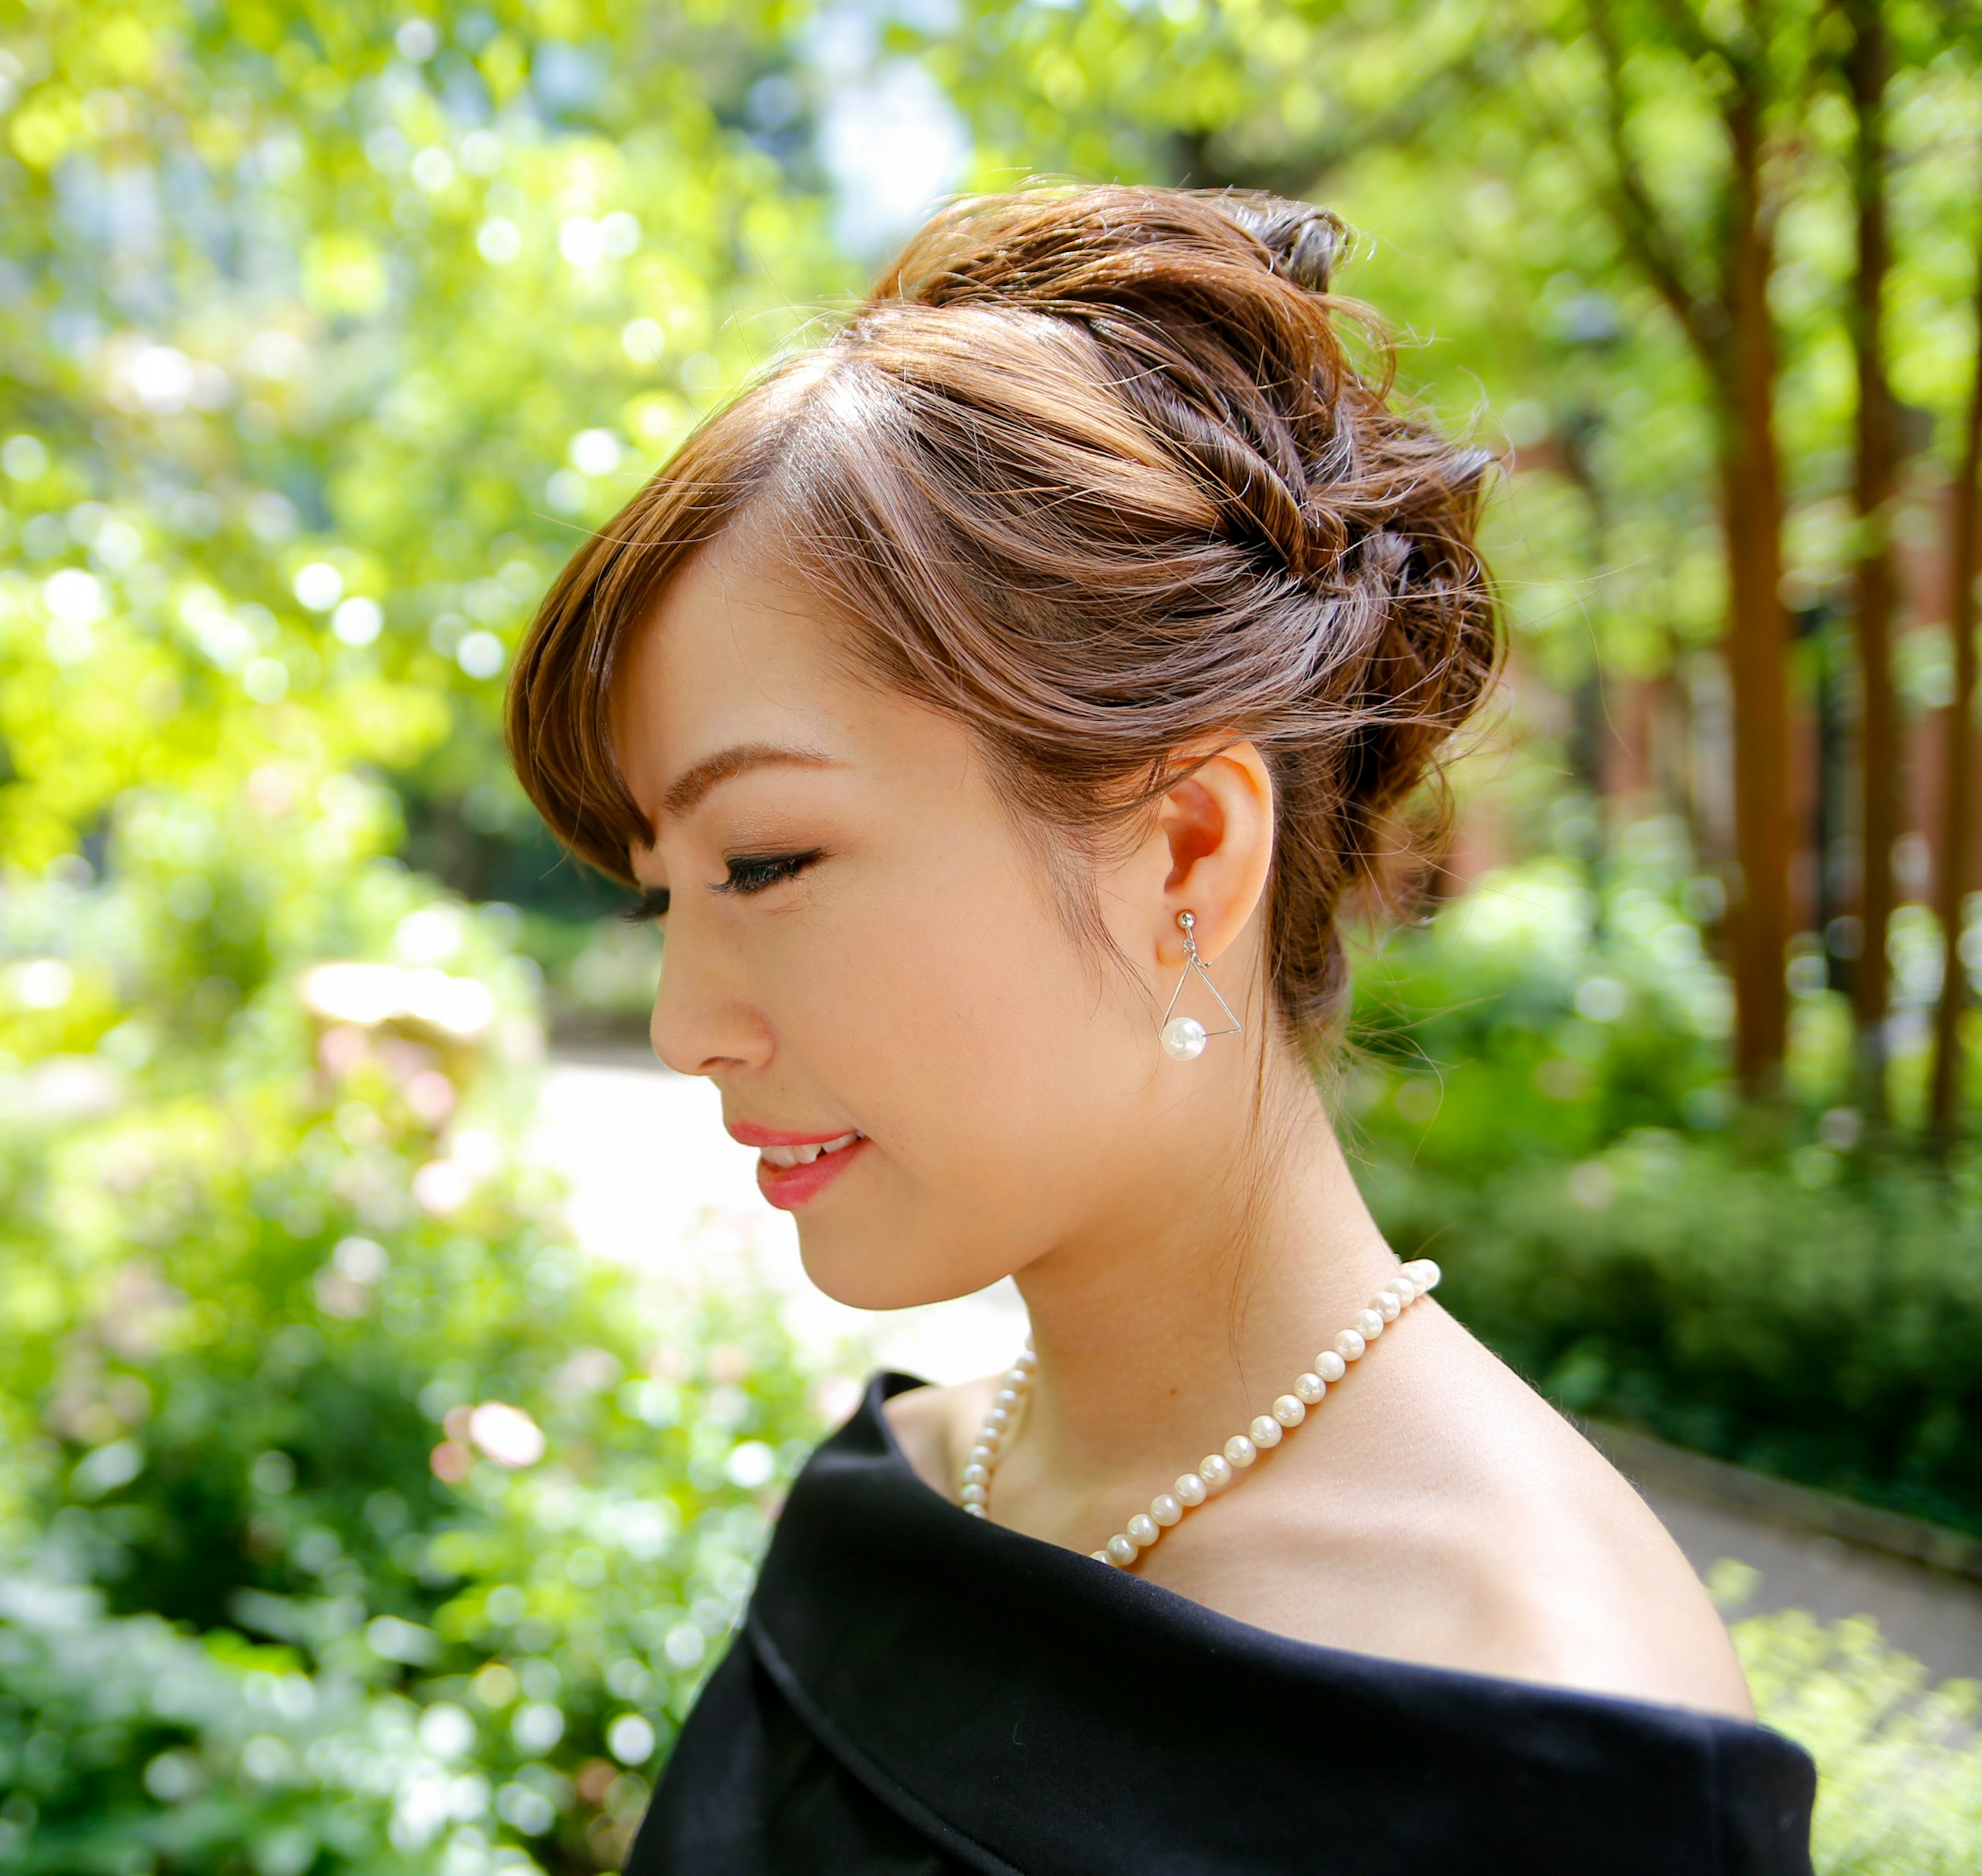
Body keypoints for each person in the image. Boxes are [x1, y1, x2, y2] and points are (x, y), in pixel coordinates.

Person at [504, 183, 1816, 1873]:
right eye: (659, 890)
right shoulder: (899, 1488)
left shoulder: (1542, 1714)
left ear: (1189, 849)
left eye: (763, 858)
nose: (686, 1023)